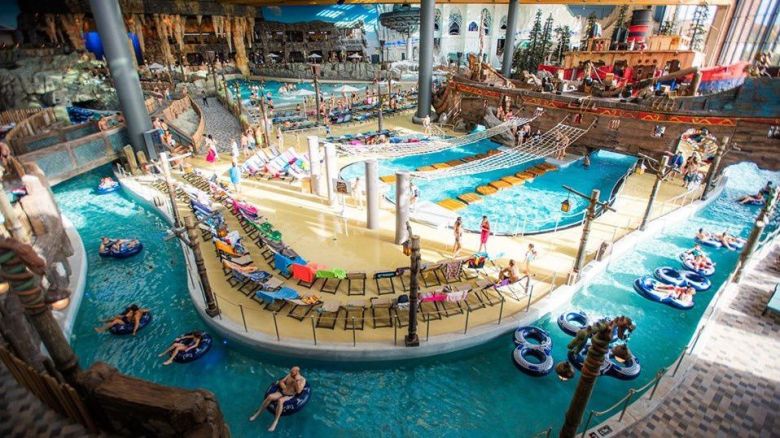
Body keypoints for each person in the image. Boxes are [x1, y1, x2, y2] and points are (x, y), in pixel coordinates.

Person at [249, 366, 306, 432]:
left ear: (297, 372)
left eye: (292, 372)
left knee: (280, 401)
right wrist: (284, 387)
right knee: (270, 396)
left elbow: (299, 391)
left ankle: (275, 422)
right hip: (283, 392)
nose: (290, 373)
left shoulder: (302, 380)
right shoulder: (289, 375)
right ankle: (257, 414)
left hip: (290, 395)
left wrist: (296, 382)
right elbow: (281, 381)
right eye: (290, 372)